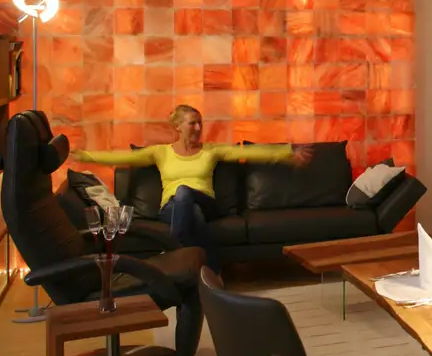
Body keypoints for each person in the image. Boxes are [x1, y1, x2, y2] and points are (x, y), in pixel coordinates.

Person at [73, 104, 313, 271]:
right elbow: (122, 157)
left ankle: (172, 249)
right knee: (189, 209)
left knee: (185, 193)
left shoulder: (211, 151)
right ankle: (213, 269)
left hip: (207, 204)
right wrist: (84, 155)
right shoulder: (161, 153)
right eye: (193, 124)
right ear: (178, 127)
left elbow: (249, 152)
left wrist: (287, 152)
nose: (198, 129)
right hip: (171, 208)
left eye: (200, 124)